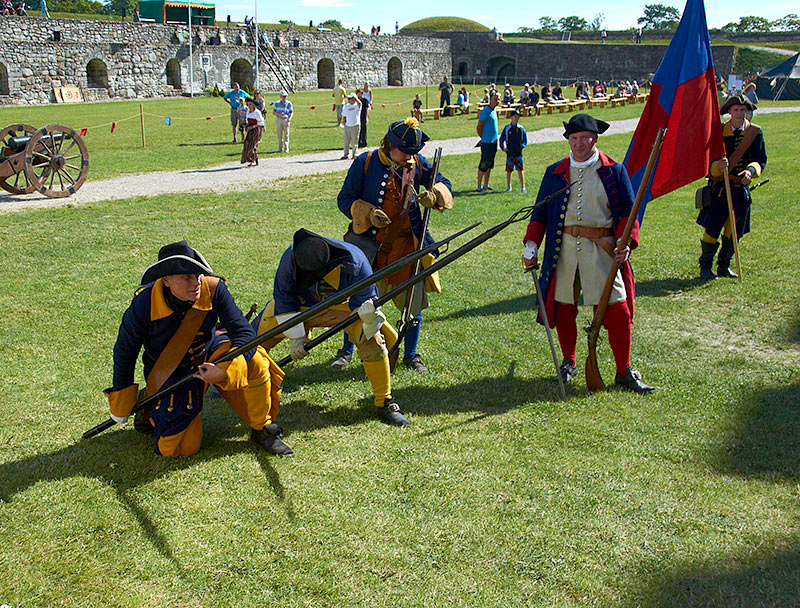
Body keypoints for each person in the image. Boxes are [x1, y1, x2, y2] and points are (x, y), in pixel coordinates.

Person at [103, 241, 292, 457]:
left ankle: (262, 429)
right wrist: (122, 402)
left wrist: (224, 369)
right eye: (186, 277)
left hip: (209, 352)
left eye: (198, 275)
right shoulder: (143, 304)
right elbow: (125, 352)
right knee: (180, 449)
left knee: (256, 360)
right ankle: (147, 403)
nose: (196, 282)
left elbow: (245, 334)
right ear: (166, 280)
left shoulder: (213, 288)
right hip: (169, 372)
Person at [521, 113, 654, 394]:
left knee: (618, 310)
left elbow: (628, 214)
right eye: (574, 138)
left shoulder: (614, 171)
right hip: (564, 250)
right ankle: (568, 362)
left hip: (603, 250)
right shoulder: (554, 172)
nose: (579, 144)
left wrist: (625, 241)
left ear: (595, 138)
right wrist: (531, 245)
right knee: (564, 308)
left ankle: (624, 370)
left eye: (584, 138)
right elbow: (540, 213)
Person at [251, 229, 410, 426]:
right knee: (257, 336)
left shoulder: (357, 263)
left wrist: (369, 318)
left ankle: (384, 401)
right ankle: (238, 377)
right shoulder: (291, 257)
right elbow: (283, 298)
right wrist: (296, 336)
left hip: (344, 307)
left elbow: (363, 305)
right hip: (298, 307)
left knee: (373, 343)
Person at [333, 118, 453, 373]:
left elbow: (443, 182)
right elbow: (344, 199)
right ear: (390, 144)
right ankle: (346, 351)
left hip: (408, 247)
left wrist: (434, 195)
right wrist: (368, 213)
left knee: (413, 303)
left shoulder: (416, 163)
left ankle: (410, 355)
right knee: (360, 303)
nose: (409, 156)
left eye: (413, 152)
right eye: (404, 151)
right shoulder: (365, 163)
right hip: (371, 248)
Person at [696, 94, 766, 280]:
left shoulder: (755, 133)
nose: (740, 114)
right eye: (736, 110)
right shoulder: (718, 133)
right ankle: (705, 267)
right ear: (729, 112)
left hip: (740, 190)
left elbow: (760, 159)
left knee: (733, 229)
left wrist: (751, 171)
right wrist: (717, 167)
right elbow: (707, 162)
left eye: (743, 110)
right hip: (720, 189)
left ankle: (724, 266)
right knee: (713, 227)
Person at [476, 91, 499, 192]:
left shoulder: (494, 110)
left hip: (493, 142)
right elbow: (479, 127)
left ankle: (486, 184)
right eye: (495, 99)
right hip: (487, 142)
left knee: (490, 164)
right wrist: (483, 137)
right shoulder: (485, 111)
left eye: (498, 99)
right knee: (483, 164)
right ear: (490, 99)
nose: (497, 101)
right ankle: (479, 186)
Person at [499, 110, 527, 193]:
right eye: (515, 117)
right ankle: (509, 187)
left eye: (518, 117)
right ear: (511, 117)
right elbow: (502, 139)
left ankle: (523, 187)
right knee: (509, 171)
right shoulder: (507, 128)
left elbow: (524, 140)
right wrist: (503, 148)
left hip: (518, 153)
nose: (517, 119)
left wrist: (521, 146)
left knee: (520, 170)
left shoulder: (521, 128)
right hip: (510, 153)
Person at [241, 97, 264, 166]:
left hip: (255, 130)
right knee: (247, 144)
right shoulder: (248, 111)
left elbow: (261, 123)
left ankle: (253, 159)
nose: (249, 106)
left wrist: (253, 126)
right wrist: (247, 126)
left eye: (250, 104)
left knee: (253, 146)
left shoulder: (257, 112)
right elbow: (248, 120)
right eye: (248, 104)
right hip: (250, 130)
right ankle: (252, 159)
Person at [341, 92, 361, 159]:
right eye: (348, 99)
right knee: (346, 141)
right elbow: (344, 115)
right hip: (348, 125)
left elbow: (360, 104)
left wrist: (356, 98)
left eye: (350, 99)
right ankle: (345, 154)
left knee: (354, 141)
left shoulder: (356, 106)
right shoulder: (347, 106)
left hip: (355, 125)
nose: (349, 100)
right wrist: (344, 122)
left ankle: (354, 154)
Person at [359, 83, 372, 148]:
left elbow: (367, 109)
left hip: (363, 116)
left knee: (363, 130)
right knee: (358, 130)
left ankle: (364, 142)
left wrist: (367, 117)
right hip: (357, 117)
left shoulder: (365, 100)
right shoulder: (356, 101)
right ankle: (358, 142)